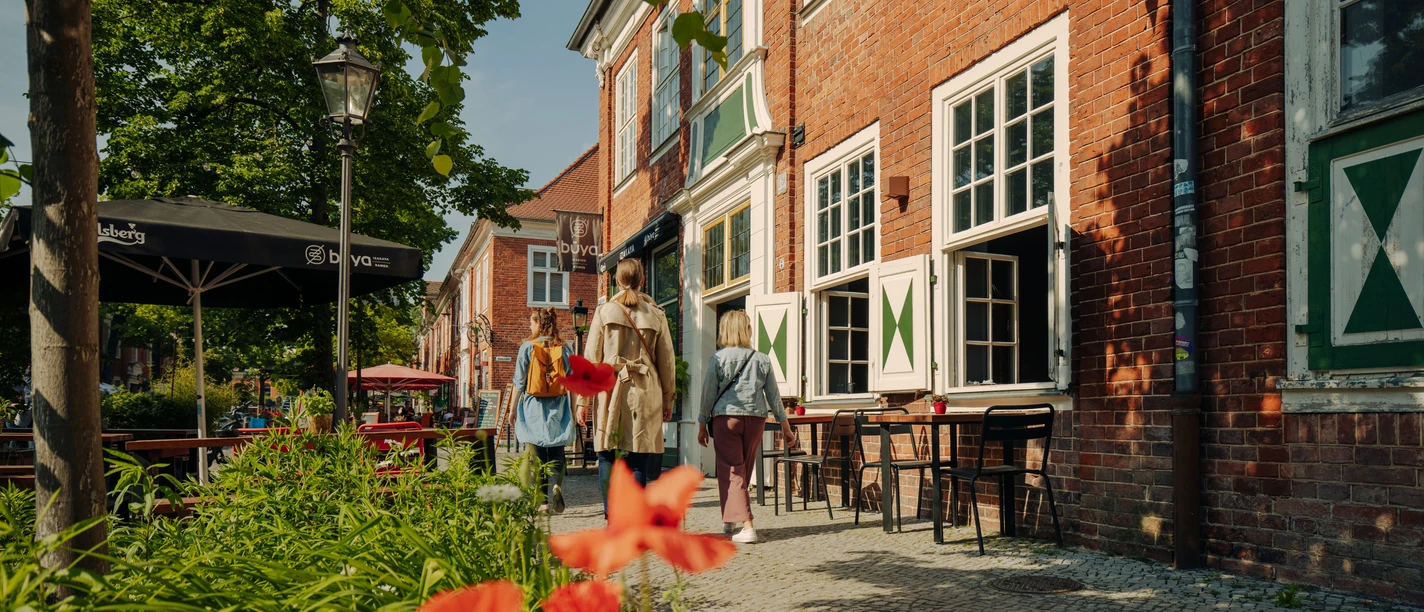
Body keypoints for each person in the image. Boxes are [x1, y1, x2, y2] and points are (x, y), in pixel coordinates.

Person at [581, 258, 677, 505]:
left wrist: (583, 401)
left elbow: (591, 359)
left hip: (609, 390)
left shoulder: (604, 312)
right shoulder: (656, 314)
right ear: (642, 280)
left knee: (606, 454)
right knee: (638, 456)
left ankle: (611, 516)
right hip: (644, 390)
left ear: (616, 280)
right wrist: (668, 400)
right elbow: (667, 362)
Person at [697, 310, 795, 544]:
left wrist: (702, 424)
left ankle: (748, 526)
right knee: (743, 469)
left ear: (725, 330)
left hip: (726, 419)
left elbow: (708, 394)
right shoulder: (762, 359)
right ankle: (730, 519)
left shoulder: (718, 358)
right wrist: (785, 426)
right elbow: (774, 396)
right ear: (746, 330)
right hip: (755, 419)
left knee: (731, 471)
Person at [513, 307, 576, 514]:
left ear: (539, 324)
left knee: (537, 454)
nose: (530, 326)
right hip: (558, 405)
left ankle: (543, 503)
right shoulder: (564, 348)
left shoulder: (527, 348)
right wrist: (573, 409)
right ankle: (557, 486)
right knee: (557, 450)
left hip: (533, 407)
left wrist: (512, 410)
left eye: (531, 322)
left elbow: (519, 382)